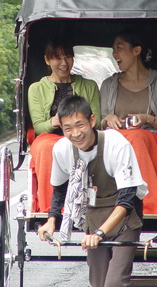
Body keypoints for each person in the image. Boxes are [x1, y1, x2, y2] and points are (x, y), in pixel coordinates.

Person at [37, 95, 147, 287]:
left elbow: (127, 200)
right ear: (61, 128)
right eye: (68, 128)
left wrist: (99, 234)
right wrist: (51, 220)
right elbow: (60, 189)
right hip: (94, 216)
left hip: (125, 219)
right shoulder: (62, 149)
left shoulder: (116, 144)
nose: (75, 133)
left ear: (92, 120)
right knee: (97, 282)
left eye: (80, 125)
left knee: (114, 282)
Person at [100, 29, 157, 214]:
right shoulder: (108, 84)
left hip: (152, 141)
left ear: (136, 50)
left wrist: (147, 119)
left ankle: (147, 205)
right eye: (113, 49)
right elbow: (100, 120)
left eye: (119, 48)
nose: (114, 54)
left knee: (137, 138)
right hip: (116, 141)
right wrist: (108, 119)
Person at [28, 39, 101, 212]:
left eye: (68, 57)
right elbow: (38, 127)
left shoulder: (89, 86)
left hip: (84, 134)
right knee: (47, 147)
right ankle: (51, 208)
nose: (63, 63)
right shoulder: (36, 89)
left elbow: (97, 118)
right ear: (47, 60)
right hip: (52, 136)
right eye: (57, 58)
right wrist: (53, 121)